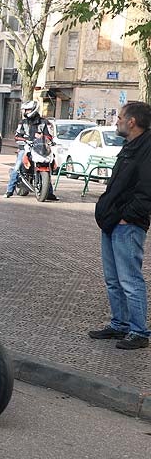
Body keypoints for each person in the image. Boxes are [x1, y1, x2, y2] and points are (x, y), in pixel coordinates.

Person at [89, 102, 151, 350]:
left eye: (120, 117)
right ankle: (120, 324)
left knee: (130, 279)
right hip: (112, 221)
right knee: (113, 279)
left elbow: (147, 190)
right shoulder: (131, 146)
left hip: (127, 224)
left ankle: (139, 332)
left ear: (132, 122)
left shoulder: (146, 148)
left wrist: (128, 216)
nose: (116, 121)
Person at [6, 100, 57, 199]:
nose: (26, 112)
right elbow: (17, 136)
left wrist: (46, 138)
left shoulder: (44, 122)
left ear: (34, 109)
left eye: (28, 110)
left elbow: (49, 136)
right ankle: (9, 190)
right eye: (25, 110)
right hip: (25, 148)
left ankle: (49, 192)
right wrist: (24, 140)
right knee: (17, 167)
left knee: (49, 164)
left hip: (40, 147)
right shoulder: (23, 122)